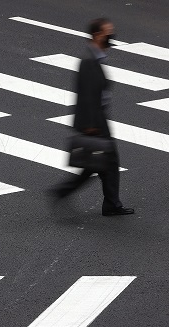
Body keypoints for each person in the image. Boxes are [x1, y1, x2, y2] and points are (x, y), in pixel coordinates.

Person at [50, 18, 134, 216]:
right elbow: (87, 95)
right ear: (97, 35)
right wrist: (90, 125)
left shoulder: (95, 56)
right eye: (108, 33)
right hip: (94, 121)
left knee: (99, 163)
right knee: (104, 162)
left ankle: (108, 202)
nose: (111, 36)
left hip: (97, 118)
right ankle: (107, 203)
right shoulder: (89, 60)